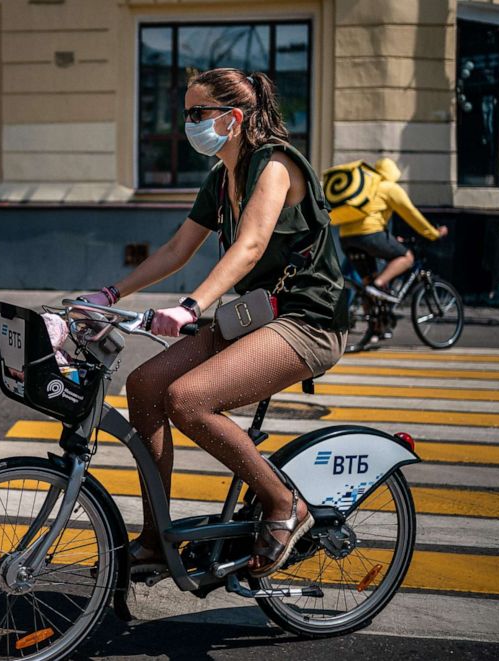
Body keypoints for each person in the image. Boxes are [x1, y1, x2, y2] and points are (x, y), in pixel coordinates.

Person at [78, 68, 348, 578]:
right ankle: (158, 540)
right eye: (187, 114)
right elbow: (179, 249)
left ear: (235, 118)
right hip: (256, 316)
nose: (188, 123)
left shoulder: (273, 165)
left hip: (308, 321)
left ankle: (284, 503)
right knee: (145, 386)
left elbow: (249, 247)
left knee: (188, 399)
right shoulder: (220, 178)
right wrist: (110, 294)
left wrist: (191, 306)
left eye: (199, 113)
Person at [332, 157, 448, 302]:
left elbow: (372, 215)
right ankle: (378, 284)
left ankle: (374, 321)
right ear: (392, 173)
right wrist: (433, 233)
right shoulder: (389, 188)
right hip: (369, 235)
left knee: (368, 286)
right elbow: (411, 214)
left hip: (346, 238)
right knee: (406, 258)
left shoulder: (367, 187)